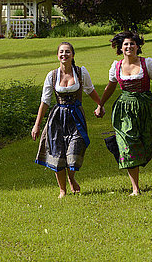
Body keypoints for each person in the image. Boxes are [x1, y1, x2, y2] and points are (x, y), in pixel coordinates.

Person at [95, 31, 152, 196]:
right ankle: (135, 187)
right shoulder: (116, 66)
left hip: (145, 107)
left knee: (147, 141)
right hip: (124, 109)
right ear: (120, 48)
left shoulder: (147, 63)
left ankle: (140, 161)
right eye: (126, 44)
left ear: (138, 46)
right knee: (127, 144)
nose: (129, 47)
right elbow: (110, 88)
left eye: (132, 44)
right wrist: (100, 105)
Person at [31, 42, 102, 198]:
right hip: (57, 118)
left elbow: (90, 90)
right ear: (57, 55)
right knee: (57, 152)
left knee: (75, 149)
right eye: (61, 52)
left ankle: (71, 176)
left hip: (76, 116)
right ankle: (63, 190)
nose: (64, 54)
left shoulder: (81, 72)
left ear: (73, 55)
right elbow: (45, 101)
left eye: (67, 52)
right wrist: (37, 125)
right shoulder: (52, 75)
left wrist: (100, 105)